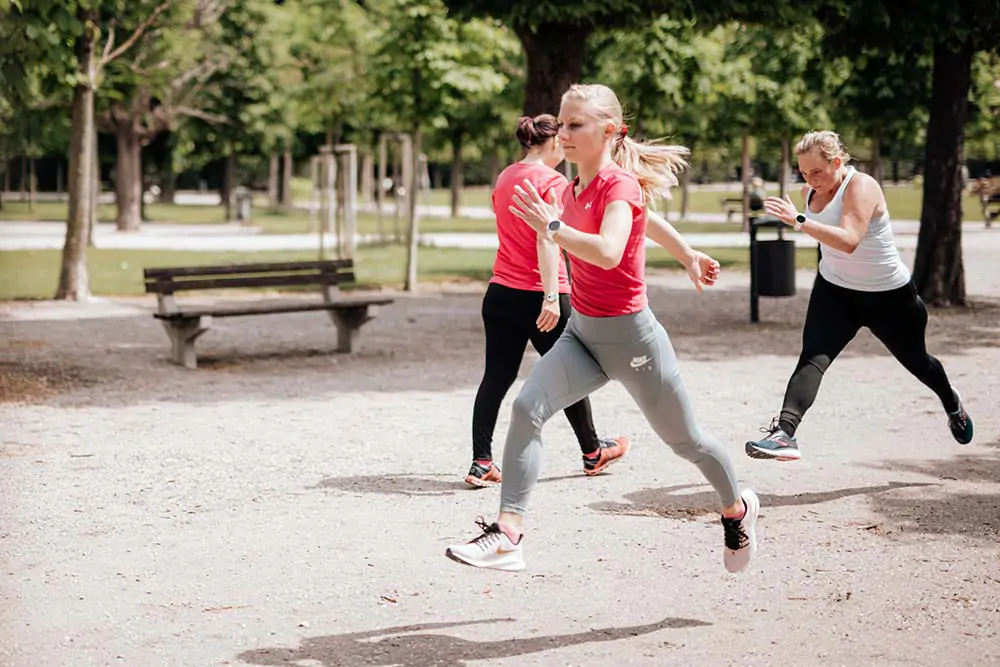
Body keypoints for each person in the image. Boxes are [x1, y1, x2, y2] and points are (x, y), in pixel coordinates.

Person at [445, 83, 760, 574]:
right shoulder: (572, 189)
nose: (563, 134)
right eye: (562, 125)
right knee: (528, 407)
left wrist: (555, 229)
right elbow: (647, 224)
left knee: (687, 442)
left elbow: (612, 250)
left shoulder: (620, 185)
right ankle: (508, 533)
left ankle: (736, 508)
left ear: (609, 130)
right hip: (584, 336)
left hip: (633, 340)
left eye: (575, 125)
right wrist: (688, 256)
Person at [745, 130, 974, 462]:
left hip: (888, 297)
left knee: (918, 363)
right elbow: (828, 239)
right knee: (813, 356)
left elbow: (849, 240)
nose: (810, 179)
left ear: (837, 162)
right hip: (836, 291)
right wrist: (804, 217)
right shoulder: (809, 191)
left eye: (817, 172)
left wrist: (798, 220)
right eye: (804, 173)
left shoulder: (862, 187)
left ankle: (951, 403)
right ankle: (785, 434)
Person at [466, 114, 629, 488]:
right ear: (553, 142)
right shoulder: (553, 181)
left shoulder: (506, 176)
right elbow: (546, 238)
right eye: (565, 137)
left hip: (500, 293)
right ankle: (592, 452)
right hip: (541, 294)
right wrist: (552, 296)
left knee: (496, 377)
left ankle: (481, 462)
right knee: (571, 372)